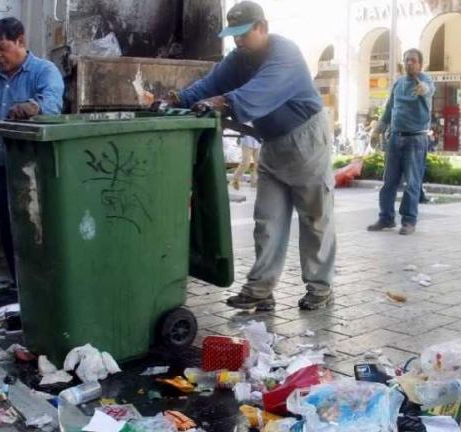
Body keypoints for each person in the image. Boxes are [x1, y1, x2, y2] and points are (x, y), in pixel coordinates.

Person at [158, 1, 335, 311]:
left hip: (306, 140)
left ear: (262, 27)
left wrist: (219, 102)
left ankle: (320, 288)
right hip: (272, 143)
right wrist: (178, 99)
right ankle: (260, 289)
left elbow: (258, 93)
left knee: (315, 218)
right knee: (267, 219)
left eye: (243, 33)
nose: (238, 40)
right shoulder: (238, 59)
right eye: (234, 34)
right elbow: (210, 84)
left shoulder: (285, 54)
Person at [0, 17, 64, 284]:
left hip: (38, 173)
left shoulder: (45, 71)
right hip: (5, 170)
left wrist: (32, 107)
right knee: (9, 233)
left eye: (2, 48)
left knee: (39, 233)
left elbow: (52, 104)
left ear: (20, 41)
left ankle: (46, 291)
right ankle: (19, 291)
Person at [367, 48, 435, 235]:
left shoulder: (425, 81)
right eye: (406, 60)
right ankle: (386, 218)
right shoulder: (398, 84)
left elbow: (429, 90)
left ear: (420, 64)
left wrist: (423, 89)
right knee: (388, 181)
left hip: (416, 139)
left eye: (413, 60)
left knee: (412, 183)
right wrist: (377, 130)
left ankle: (409, 221)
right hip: (395, 138)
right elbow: (389, 109)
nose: (409, 63)